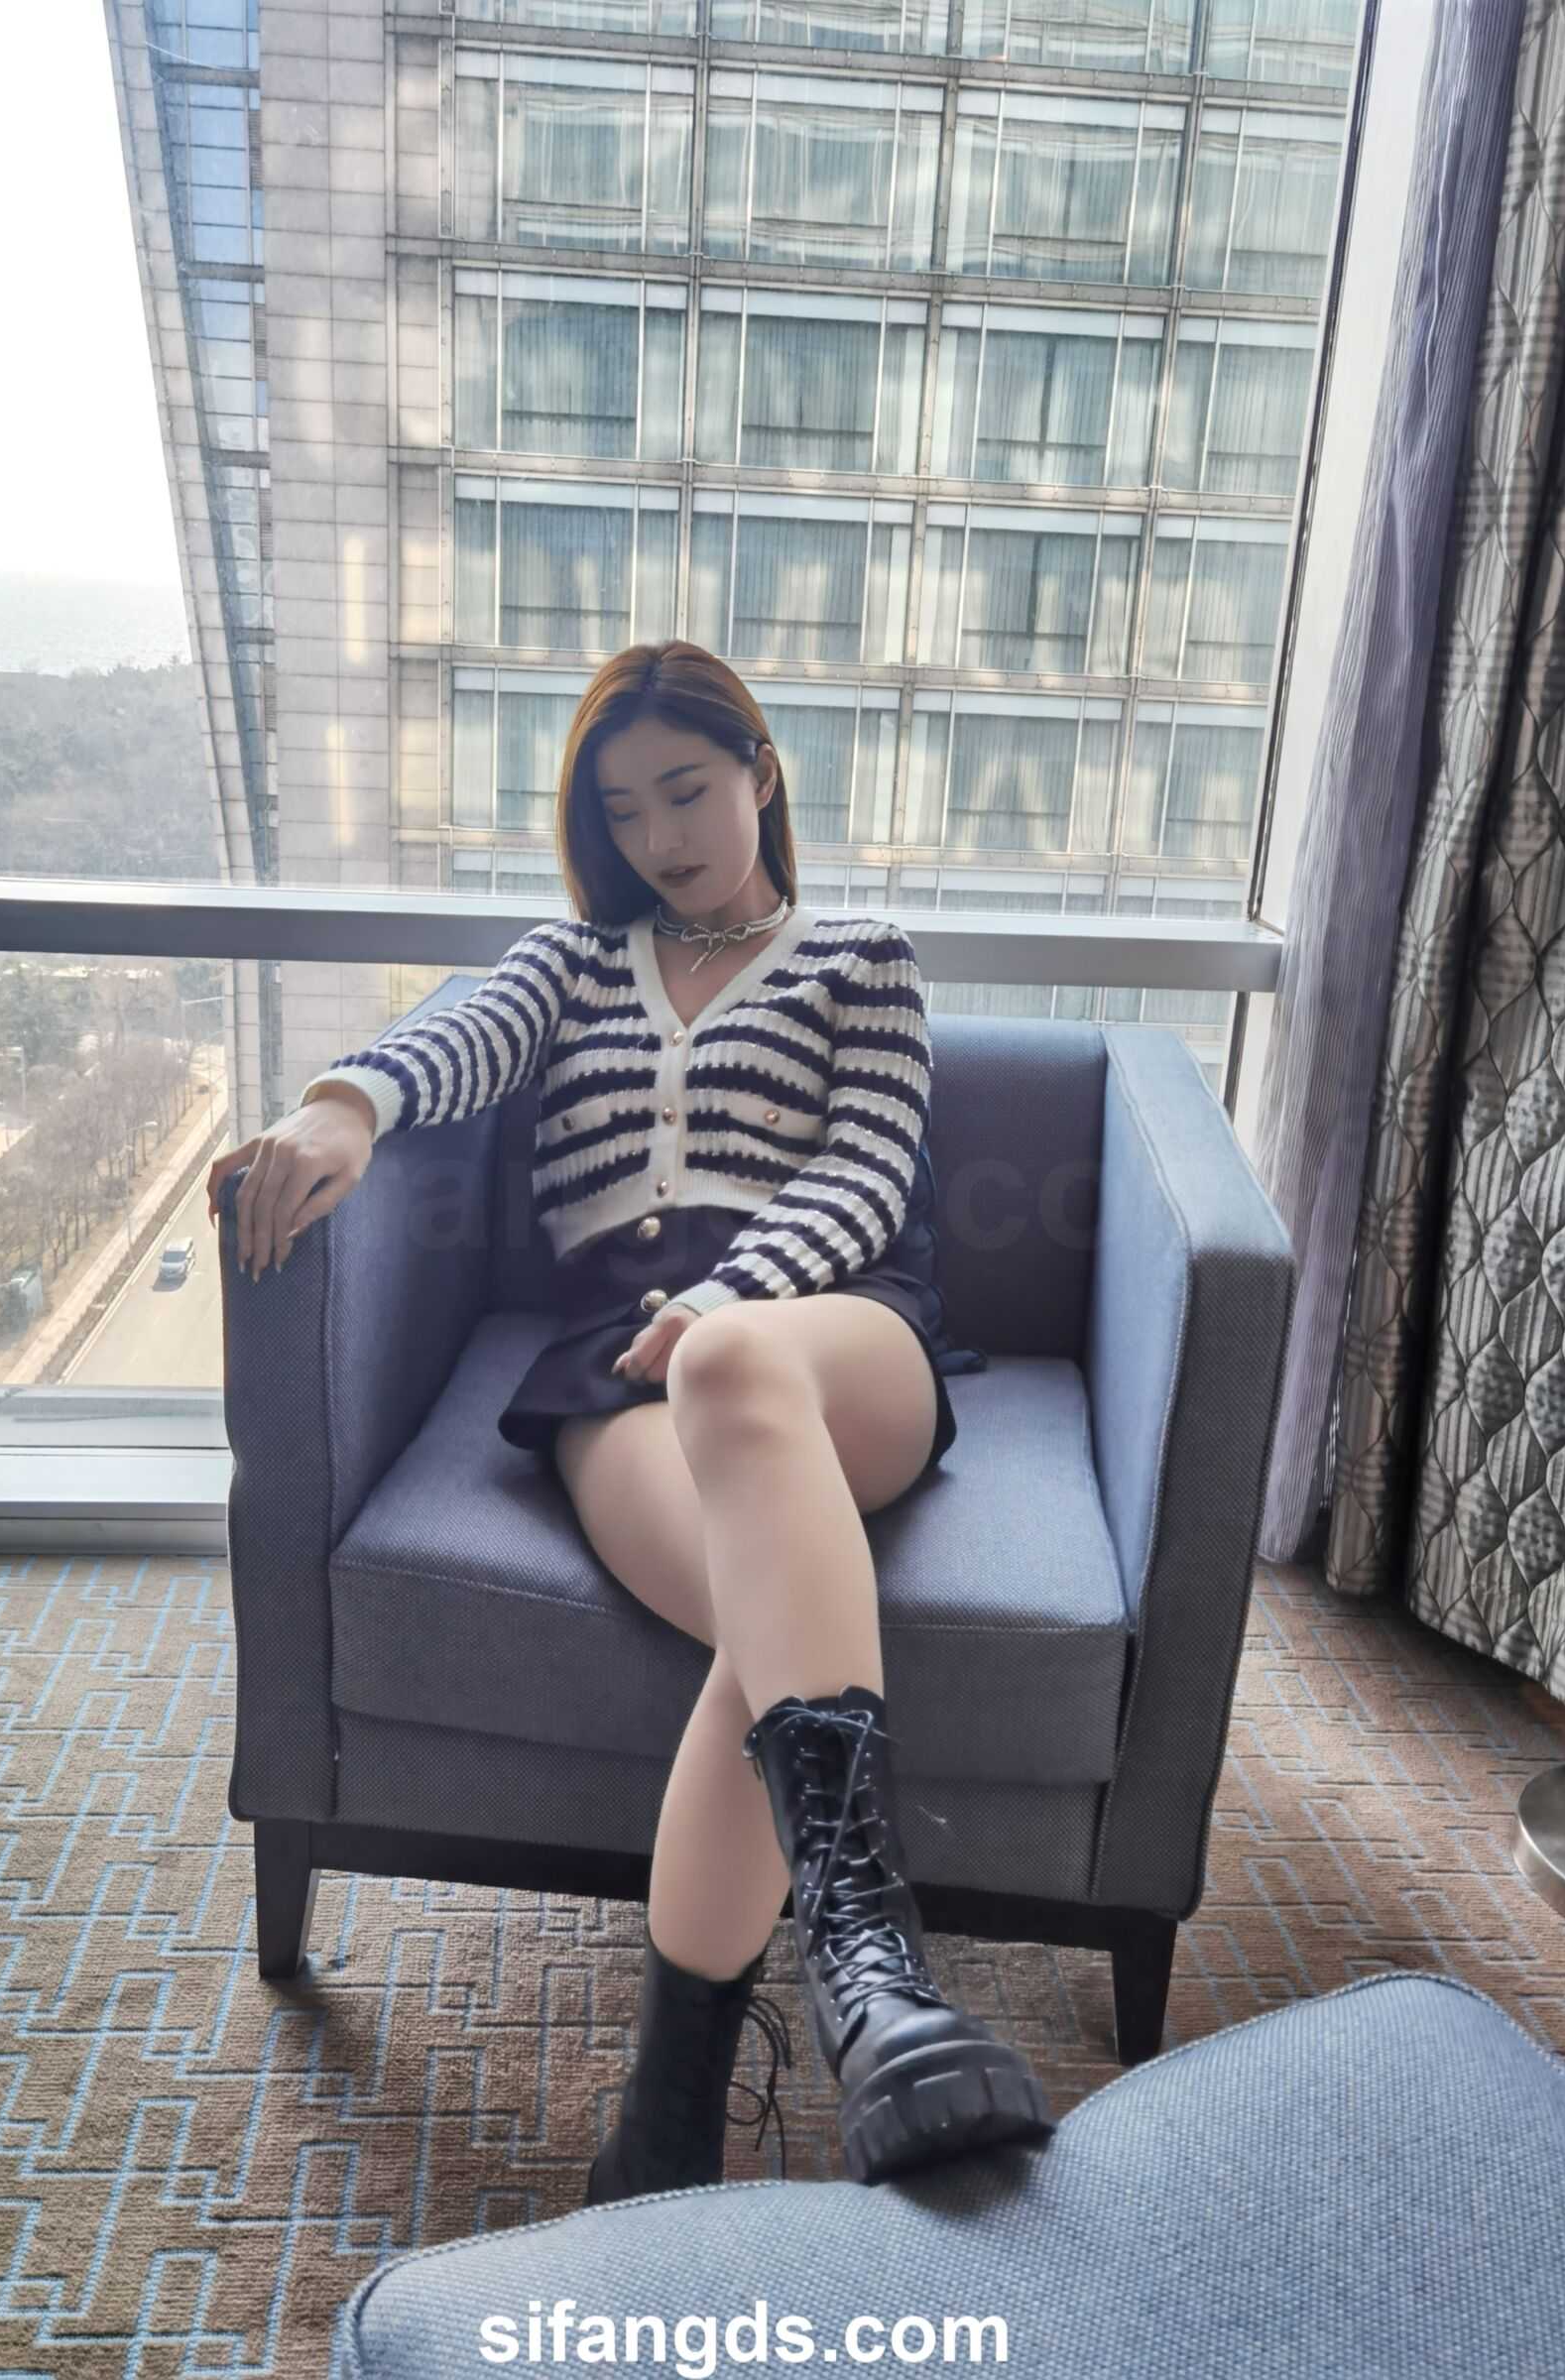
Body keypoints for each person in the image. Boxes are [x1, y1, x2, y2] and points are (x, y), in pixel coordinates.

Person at [207, 640, 1051, 2199]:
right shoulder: (575, 962)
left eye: (686, 789)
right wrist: (344, 1102)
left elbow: (868, 1170)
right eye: (623, 809)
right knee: (767, 1642)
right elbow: (460, 1037)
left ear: (760, 772)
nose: (660, 835)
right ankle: (684, 2121)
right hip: (619, 1370)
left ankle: (855, 1965)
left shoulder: (862, 959)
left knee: (734, 1367)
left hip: (840, 1332)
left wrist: (732, 1298)